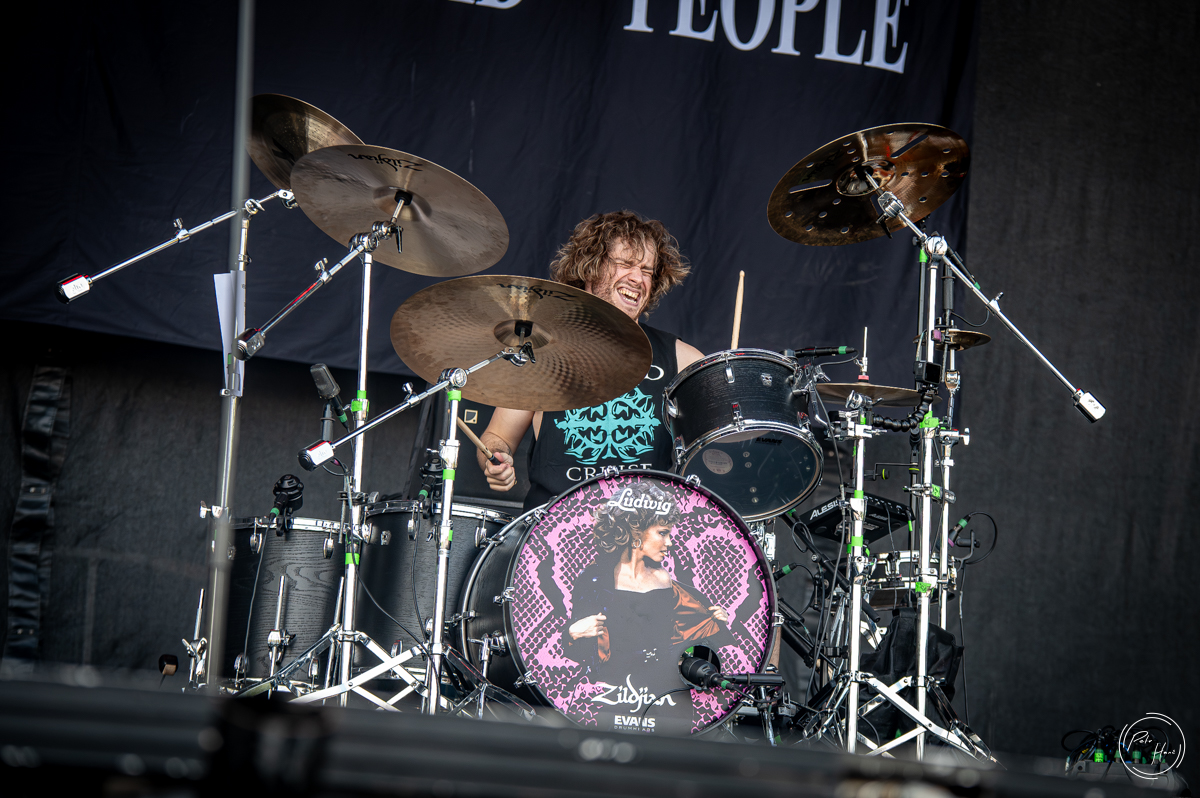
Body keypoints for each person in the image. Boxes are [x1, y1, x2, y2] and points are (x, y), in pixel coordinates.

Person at [478, 211, 705, 510]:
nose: (637, 278)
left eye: (646, 270)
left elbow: (727, 440)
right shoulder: (541, 353)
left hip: (643, 529)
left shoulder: (682, 359)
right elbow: (497, 437)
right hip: (556, 528)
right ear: (590, 268)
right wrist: (495, 457)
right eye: (625, 264)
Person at [561, 481, 734, 731]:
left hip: (669, 690)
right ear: (636, 530)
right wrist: (572, 633)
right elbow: (576, 651)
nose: (669, 542)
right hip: (612, 693)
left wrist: (715, 619)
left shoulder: (666, 579)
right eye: (662, 533)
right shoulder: (593, 580)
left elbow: (690, 631)